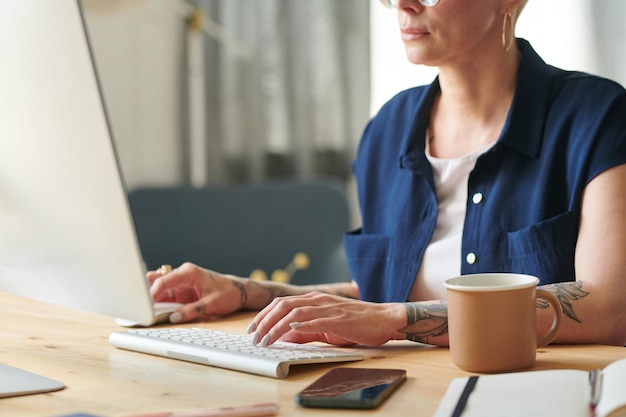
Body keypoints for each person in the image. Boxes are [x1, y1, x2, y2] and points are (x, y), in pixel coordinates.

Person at [149, 0, 626, 348]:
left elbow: (608, 306)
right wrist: (243, 291)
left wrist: (394, 321)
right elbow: (384, 294)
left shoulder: (597, 116)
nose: (403, 4)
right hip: (401, 388)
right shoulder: (386, 130)